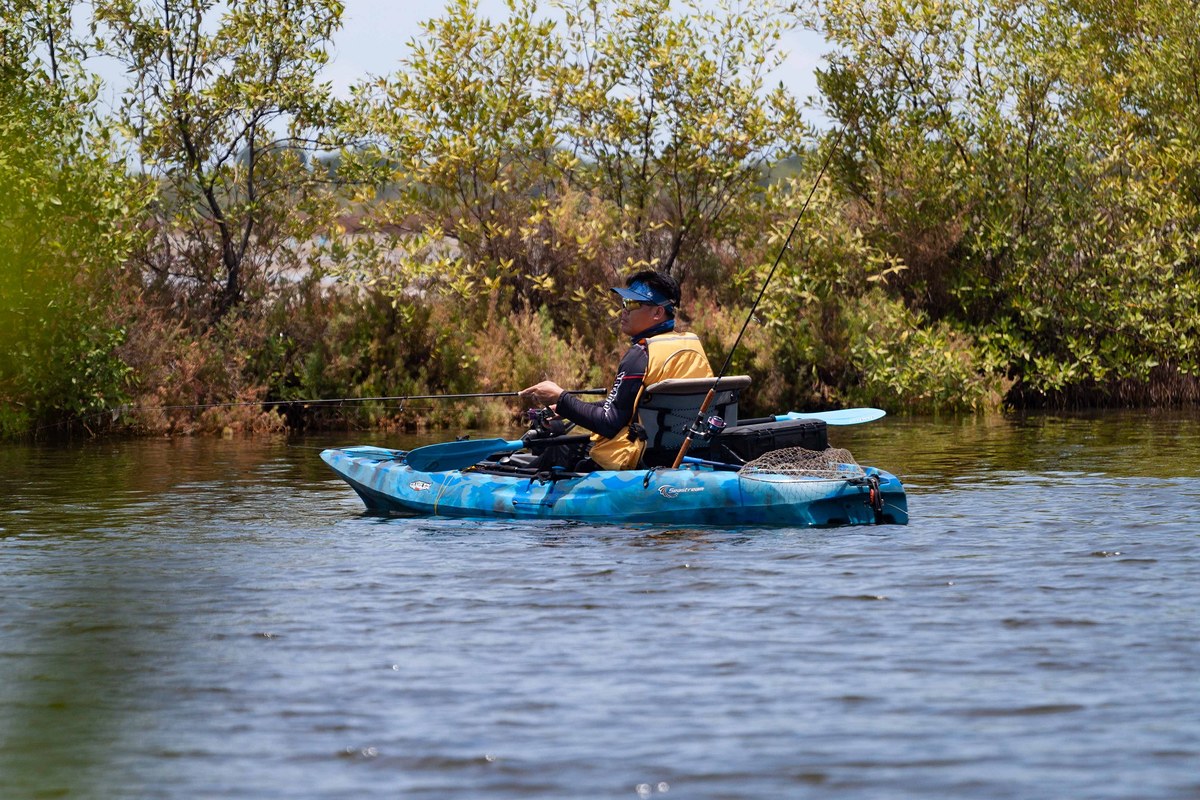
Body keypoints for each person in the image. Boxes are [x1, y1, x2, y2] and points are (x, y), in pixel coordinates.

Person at [520, 270, 712, 470]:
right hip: (678, 454)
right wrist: (566, 409)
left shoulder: (641, 354)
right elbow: (629, 405)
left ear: (657, 312)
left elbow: (609, 423)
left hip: (639, 460)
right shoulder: (691, 346)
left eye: (632, 304)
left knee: (560, 449)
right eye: (624, 303)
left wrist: (560, 398)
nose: (624, 310)